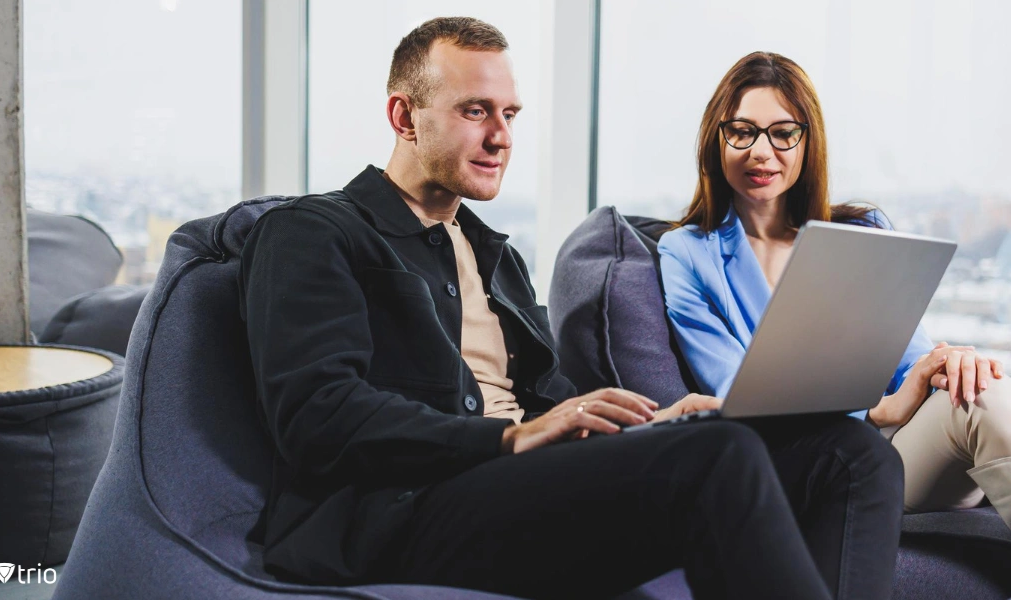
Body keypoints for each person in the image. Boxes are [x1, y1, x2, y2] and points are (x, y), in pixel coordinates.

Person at [239, 18, 906, 600]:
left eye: (511, 115)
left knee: (851, 454)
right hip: (405, 511)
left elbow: (549, 407)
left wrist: (652, 428)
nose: (501, 136)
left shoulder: (492, 254)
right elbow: (316, 415)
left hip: (515, 490)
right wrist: (508, 437)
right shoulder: (313, 232)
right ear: (404, 116)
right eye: (476, 111)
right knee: (720, 457)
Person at [658, 50, 1011, 583]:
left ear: (807, 143)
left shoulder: (860, 232)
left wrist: (944, 363)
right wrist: (880, 412)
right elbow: (744, 397)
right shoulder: (687, 253)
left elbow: (909, 360)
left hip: (912, 434)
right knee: (983, 408)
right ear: (716, 138)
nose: (762, 151)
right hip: (833, 460)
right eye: (742, 131)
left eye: (783, 133)